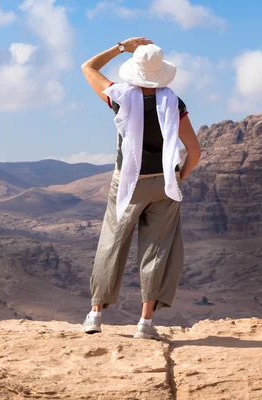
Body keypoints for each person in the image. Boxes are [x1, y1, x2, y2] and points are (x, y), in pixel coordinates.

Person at [80, 37, 201, 340]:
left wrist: (121, 47)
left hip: (129, 182)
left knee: (112, 242)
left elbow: (88, 67)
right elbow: (194, 152)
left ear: (134, 71)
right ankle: (145, 324)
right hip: (164, 183)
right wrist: (179, 177)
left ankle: (95, 315)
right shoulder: (174, 103)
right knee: (157, 250)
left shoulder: (120, 96)